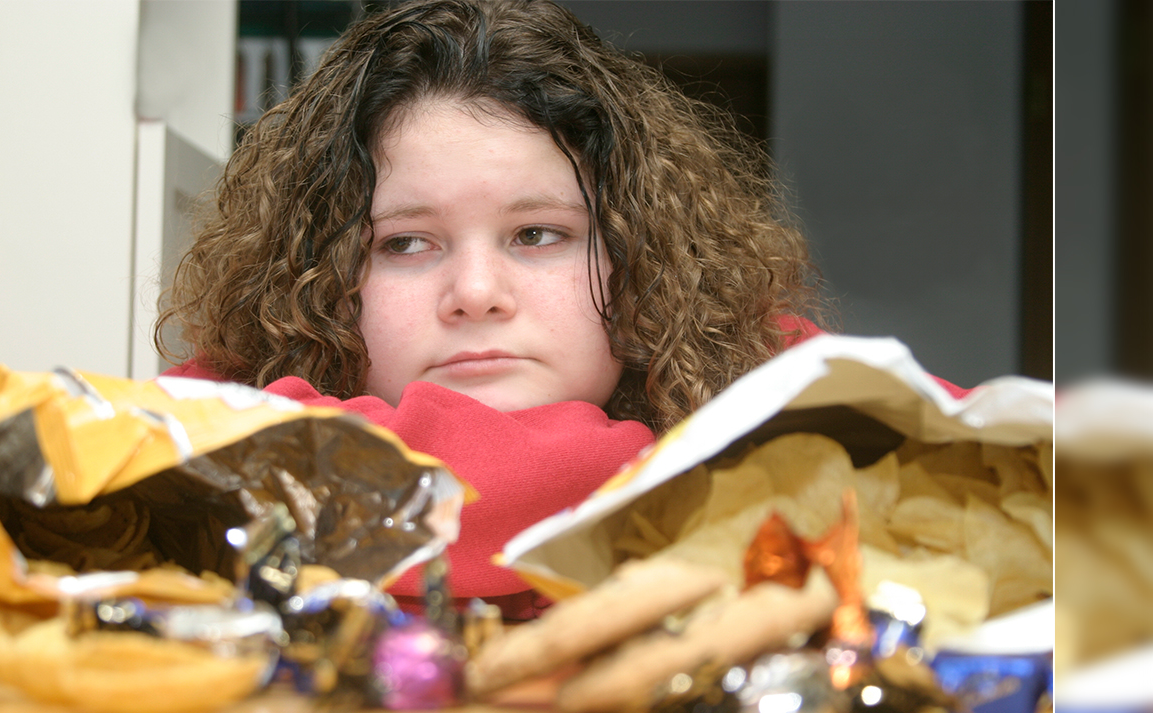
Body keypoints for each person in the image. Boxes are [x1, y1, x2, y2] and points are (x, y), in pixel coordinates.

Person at [157, 0, 965, 618]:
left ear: (638, 251)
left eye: (537, 234)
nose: (475, 294)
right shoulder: (219, 419)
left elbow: (1010, 456)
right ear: (319, 277)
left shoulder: (747, 359)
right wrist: (695, 478)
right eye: (404, 244)